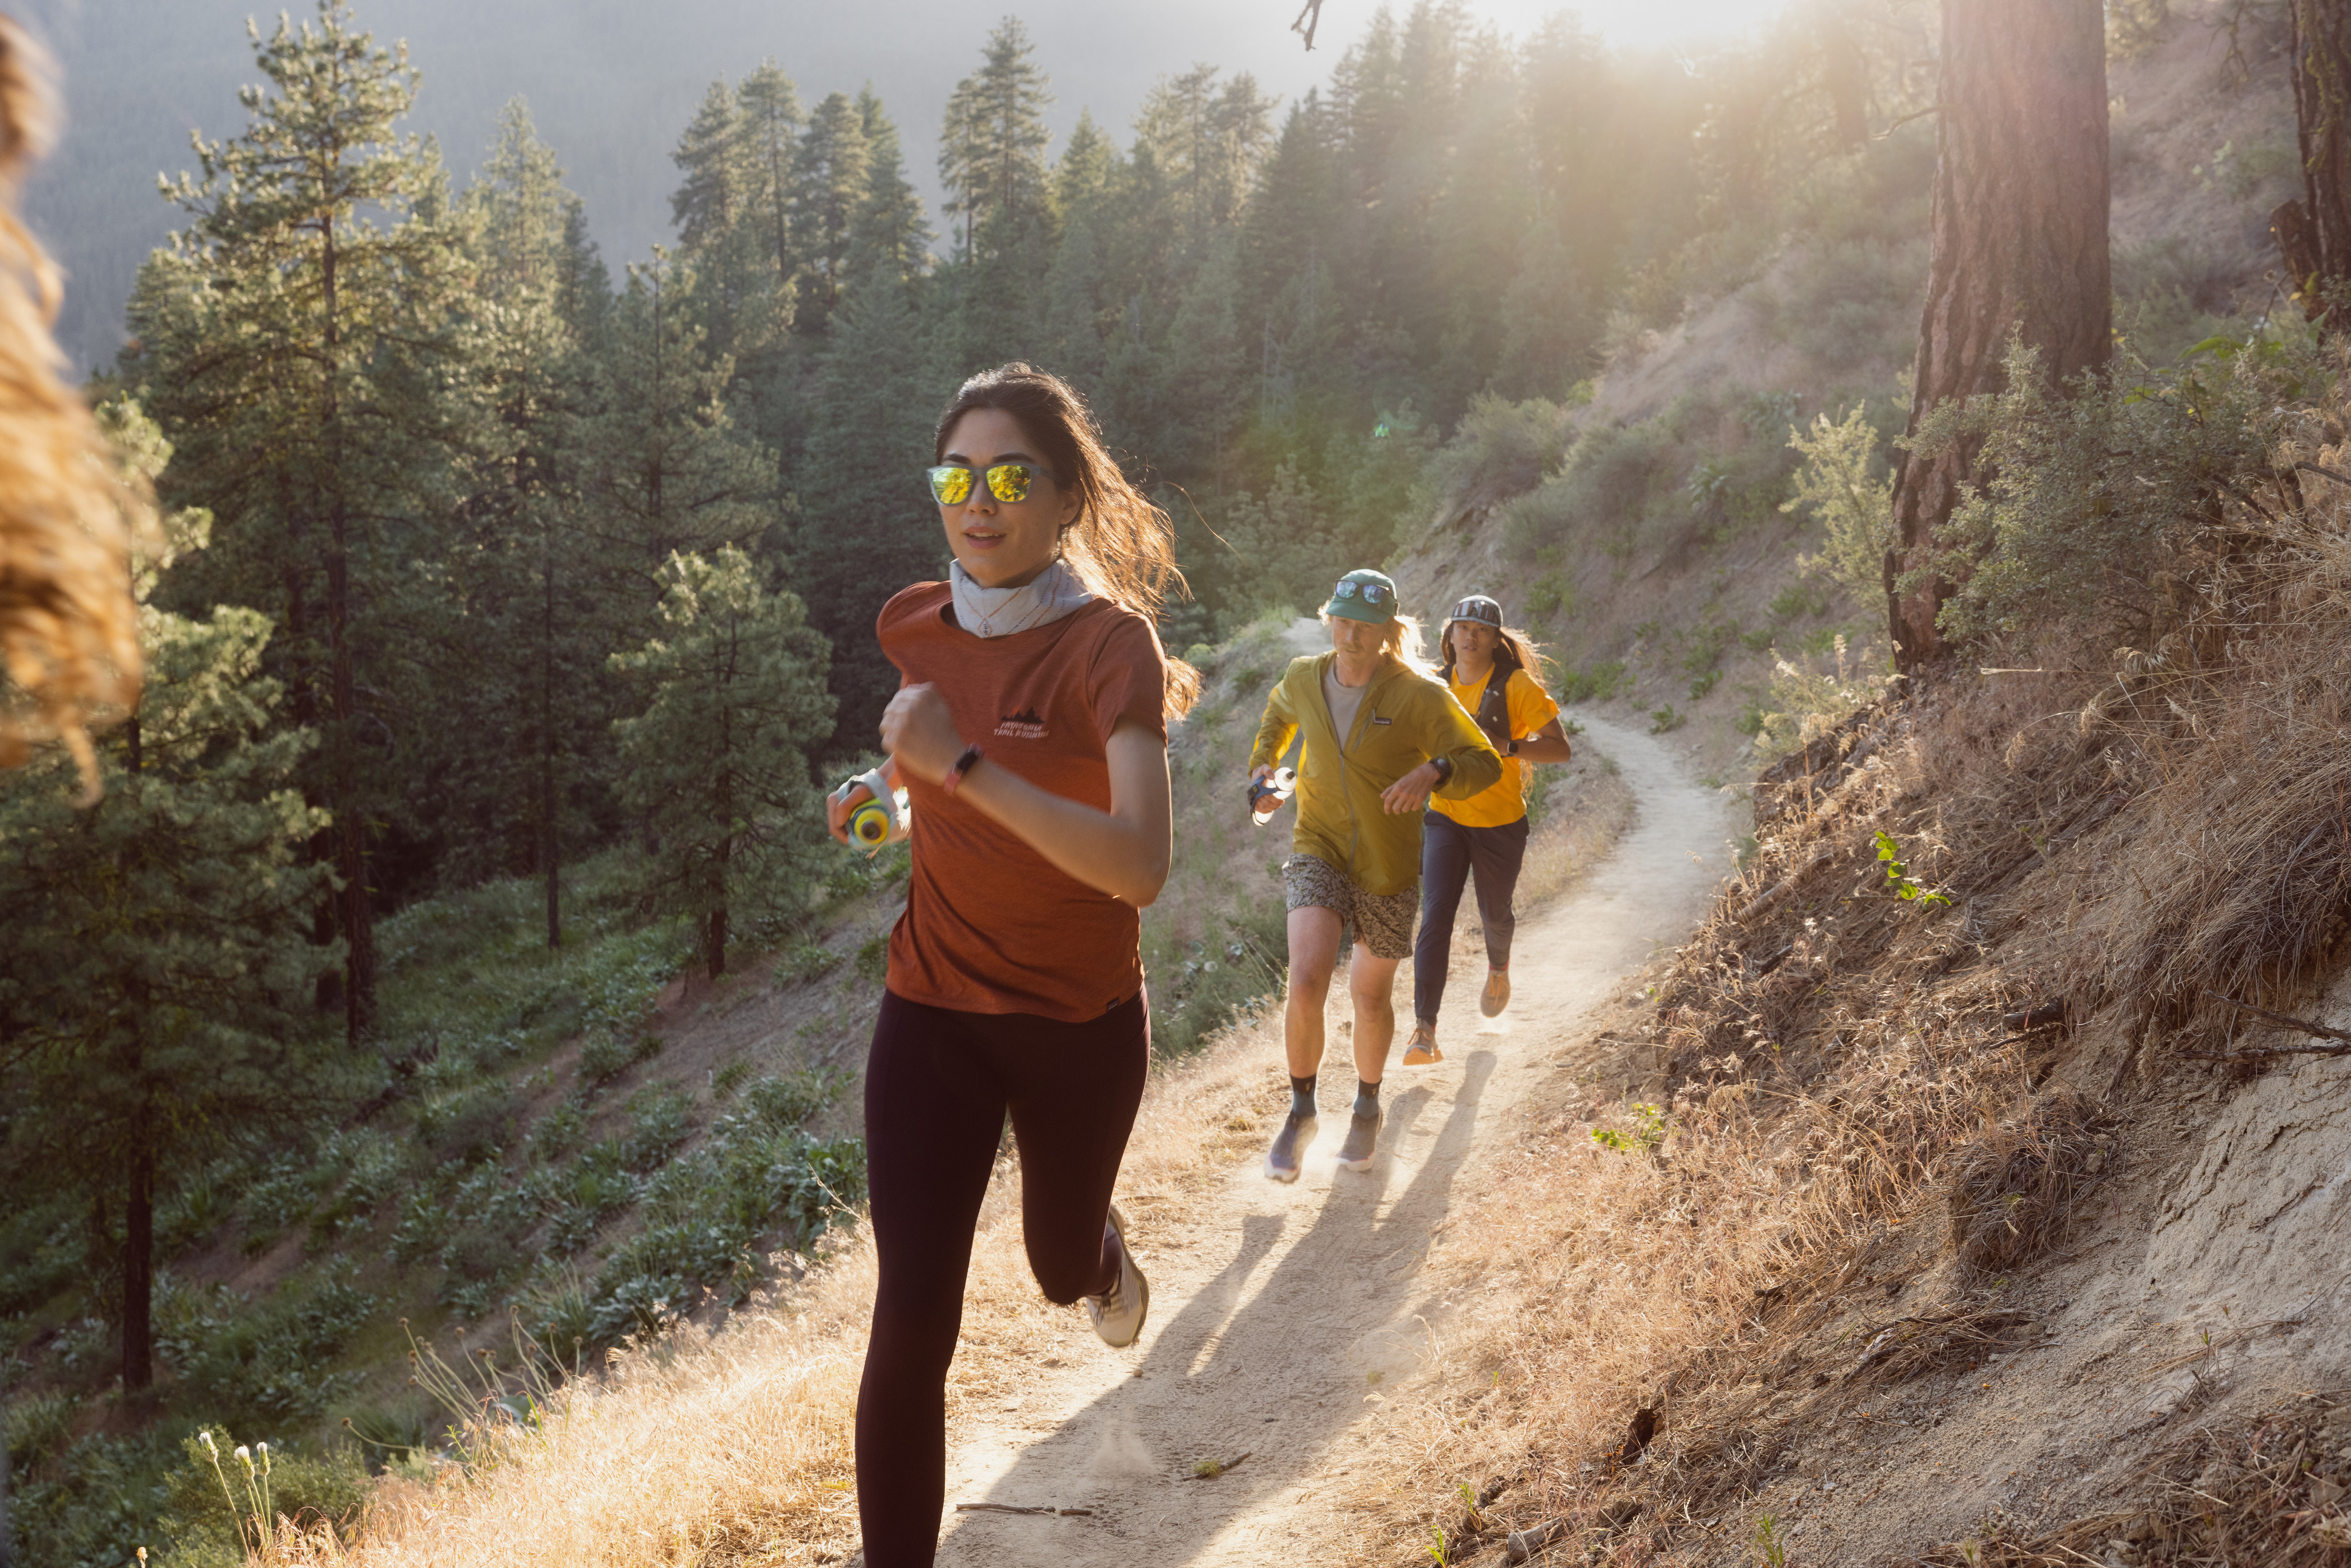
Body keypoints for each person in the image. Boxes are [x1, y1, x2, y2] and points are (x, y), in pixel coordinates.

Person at [825, 364, 1198, 1568]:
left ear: (1064, 495)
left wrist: (964, 769)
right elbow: (928, 756)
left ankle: (1095, 1252)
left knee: (1050, 1263)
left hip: (1076, 1021)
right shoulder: (913, 623)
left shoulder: (1106, 649)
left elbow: (1137, 863)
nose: (975, 502)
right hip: (930, 1004)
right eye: (953, 477)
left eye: (1006, 477)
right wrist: (887, 791)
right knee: (911, 1316)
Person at [1247, 569, 1502, 1182]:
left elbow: (1483, 761)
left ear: (1388, 633)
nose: (1350, 634)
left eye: (1365, 626)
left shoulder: (1418, 695)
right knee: (1305, 979)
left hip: (1387, 865)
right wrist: (1265, 773)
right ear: (1328, 618)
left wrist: (1434, 771)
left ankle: (1366, 1103)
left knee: (1369, 993)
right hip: (1318, 845)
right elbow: (1277, 719)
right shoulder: (1304, 676)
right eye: (1341, 620)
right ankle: (1301, 1110)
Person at [1402, 595, 1573, 1064]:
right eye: (1464, 628)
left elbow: (1561, 750)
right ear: (1450, 635)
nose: (1471, 637)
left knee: (1495, 914)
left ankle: (1499, 968)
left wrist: (1511, 746)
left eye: (1482, 630)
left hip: (1501, 824)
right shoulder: (1434, 686)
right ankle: (1424, 1031)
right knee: (1435, 915)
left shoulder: (1515, 685)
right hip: (1447, 818)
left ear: (1496, 641)